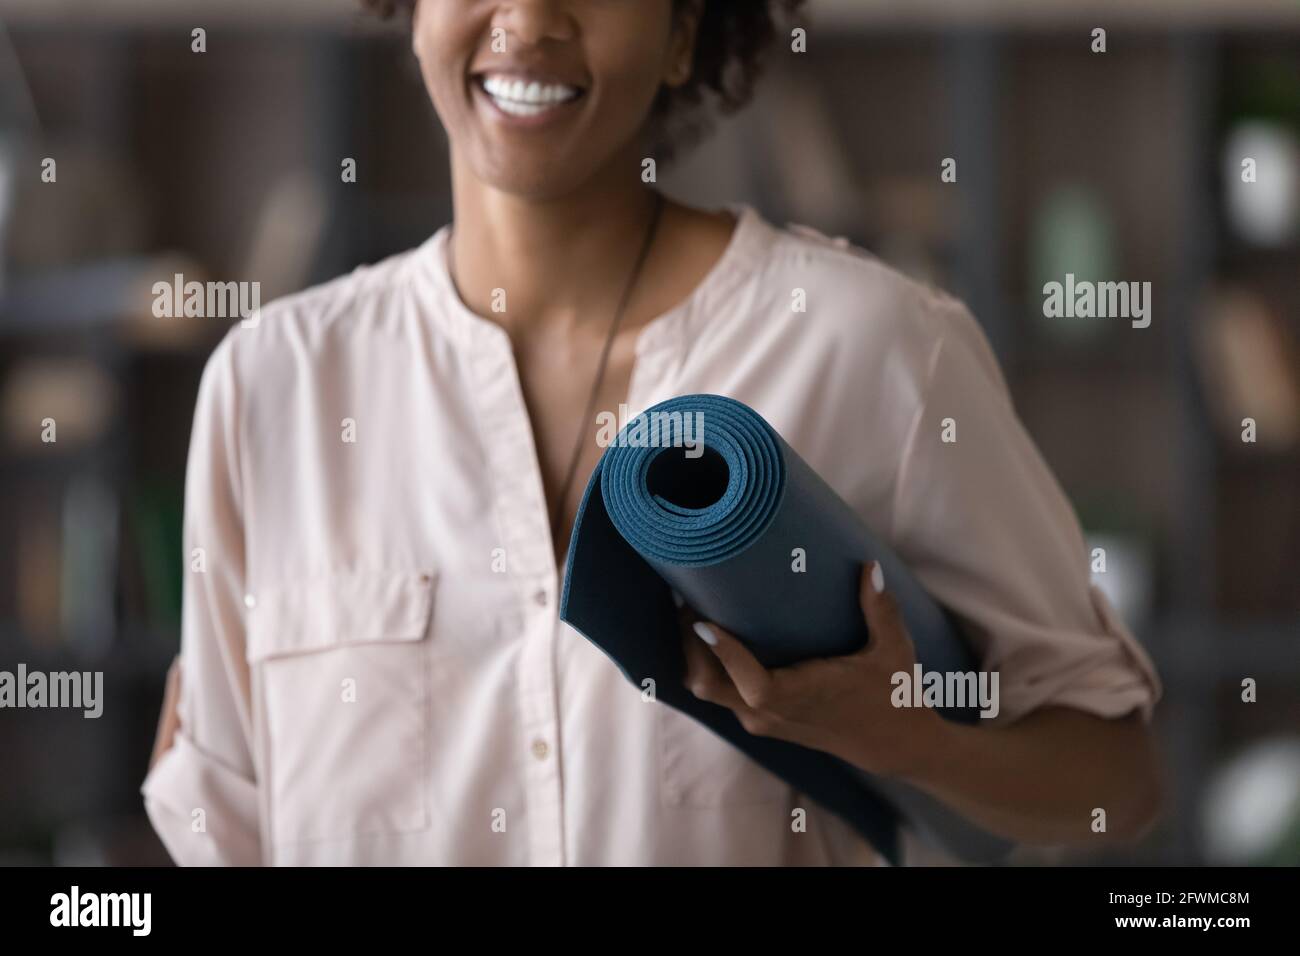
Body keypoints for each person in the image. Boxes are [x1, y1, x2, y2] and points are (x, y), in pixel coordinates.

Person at [143, 0, 1162, 866]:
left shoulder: (870, 346)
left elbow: (1116, 782)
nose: (531, 18)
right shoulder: (271, 386)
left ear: (683, 32)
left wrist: (906, 737)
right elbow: (225, 830)